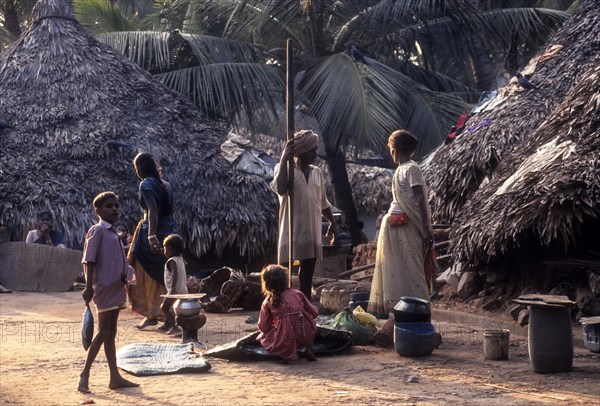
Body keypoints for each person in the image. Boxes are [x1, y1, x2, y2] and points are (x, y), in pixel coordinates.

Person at [368, 129, 435, 319]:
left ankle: (407, 313)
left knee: (405, 270)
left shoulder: (408, 168)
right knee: (412, 270)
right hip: (402, 226)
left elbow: (419, 198)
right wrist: (426, 228)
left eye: (391, 149)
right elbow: (420, 200)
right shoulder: (408, 169)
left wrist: (424, 229)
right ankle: (419, 314)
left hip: (398, 225)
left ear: (395, 149)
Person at [78, 191, 139, 393]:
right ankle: (84, 374)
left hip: (116, 287)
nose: (114, 209)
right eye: (109, 206)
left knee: (111, 333)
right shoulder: (97, 231)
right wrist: (88, 287)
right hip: (103, 288)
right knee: (104, 332)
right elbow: (90, 260)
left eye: (116, 206)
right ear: (97, 210)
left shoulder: (113, 233)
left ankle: (114, 377)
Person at [270, 130, 338, 301]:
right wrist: (285, 158)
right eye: (312, 150)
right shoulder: (284, 169)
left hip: (311, 230)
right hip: (292, 229)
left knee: (306, 275)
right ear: (302, 151)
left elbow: (323, 203)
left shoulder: (316, 173)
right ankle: (282, 307)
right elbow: (280, 188)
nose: (316, 153)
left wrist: (333, 222)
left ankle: (304, 309)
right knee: (282, 275)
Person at [128, 152, 176, 330]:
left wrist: (151, 235)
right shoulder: (166, 185)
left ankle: (153, 313)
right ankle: (160, 315)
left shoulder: (146, 184)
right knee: (164, 274)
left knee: (147, 273)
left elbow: (152, 211)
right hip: (169, 232)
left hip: (153, 233)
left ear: (140, 168)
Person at [258, 264, 318, 363]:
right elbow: (315, 312)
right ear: (286, 279)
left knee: (263, 336)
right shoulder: (297, 294)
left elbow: (263, 326)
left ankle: (285, 353)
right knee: (311, 321)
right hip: (304, 336)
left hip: (283, 340)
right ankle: (309, 348)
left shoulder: (267, 302)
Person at [161, 234, 188, 336]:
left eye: (164, 248)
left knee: (164, 307)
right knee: (176, 309)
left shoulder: (171, 261)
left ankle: (174, 327)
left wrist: (172, 288)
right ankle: (171, 325)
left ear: (170, 249)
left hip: (174, 290)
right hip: (182, 289)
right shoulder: (180, 259)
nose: (164, 251)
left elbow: (175, 273)